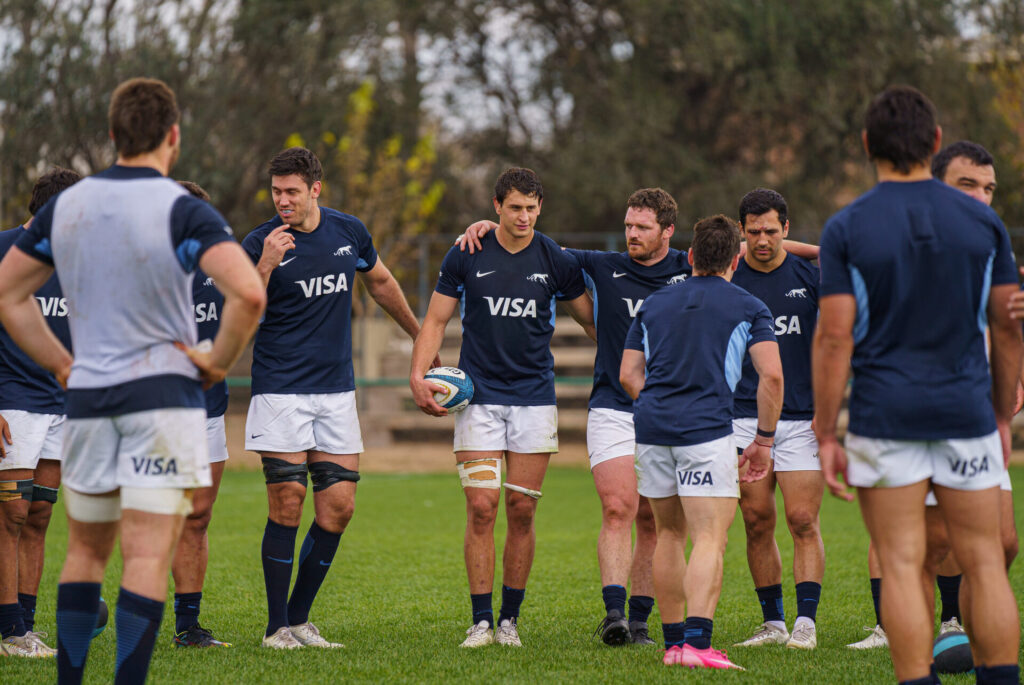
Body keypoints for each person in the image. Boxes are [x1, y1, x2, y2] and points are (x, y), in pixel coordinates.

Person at [455, 190, 819, 646]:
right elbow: (535, 246)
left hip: (665, 411)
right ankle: (619, 616)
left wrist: (806, 248)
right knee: (623, 508)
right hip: (621, 406)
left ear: (670, 233)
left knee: (658, 522)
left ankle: (648, 623)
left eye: (642, 227)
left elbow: (753, 247)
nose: (632, 234)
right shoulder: (604, 265)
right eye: (628, 225)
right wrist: (489, 230)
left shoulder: (689, 271)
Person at [0, 77, 265, 684]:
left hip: (87, 399)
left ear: (114, 136)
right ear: (173, 136)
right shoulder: (182, 207)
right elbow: (248, 292)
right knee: (146, 553)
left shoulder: (68, 206)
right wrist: (216, 361)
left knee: (84, 551)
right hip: (163, 402)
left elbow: (8, 294)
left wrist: (61, 364)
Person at [814, 86, 1020, 684]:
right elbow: (1009, 328)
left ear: (865, 145)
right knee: (985, 562)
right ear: (934, 144)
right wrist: (1002, 415)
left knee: (902, 565)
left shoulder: (847, 226)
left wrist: (826, 432)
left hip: (884, 418)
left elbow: (833, 339)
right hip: (966, 413)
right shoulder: (983, 221)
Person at [244, 146, 427, 650]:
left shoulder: (349, 231)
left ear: (315, 190)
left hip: (336, 393)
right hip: (280, 390)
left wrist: (419, 337)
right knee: (288, 500)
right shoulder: (260, 243)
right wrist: (264, 265)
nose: (283, 201)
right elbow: (240, 317)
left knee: (338, 509)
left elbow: (382, 282)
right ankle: (275, 628)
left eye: (292, 192)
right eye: (276, 192)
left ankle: (299, 620)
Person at [410, 167, 596, 648]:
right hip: (480, 400)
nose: (524, 217)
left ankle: (509, 620)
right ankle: (480, 621)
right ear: (496, 206)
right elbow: (435, 318)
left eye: (533, 208)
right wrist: (418, 374)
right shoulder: (467, 251)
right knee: (481, 507)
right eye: (515, 207)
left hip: (535, 399)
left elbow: (591, 321)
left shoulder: (553, 257)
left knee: (521, 510)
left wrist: (628, 362)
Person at [620, 214, 781, 670]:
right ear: (738, 257)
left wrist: (658, 404)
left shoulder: (653, 304)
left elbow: (629, 375)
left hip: (651, 430)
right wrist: (764, 441)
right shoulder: (749, 306)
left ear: (690, 257)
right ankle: (697, 644)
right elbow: (771, 375)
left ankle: (673, 646)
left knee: (669, 534)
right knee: (710, 537)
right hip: (706, 431)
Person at [729, 188, 825, 650]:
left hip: (803, 417)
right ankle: (773, 623)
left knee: (803, 518)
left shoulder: (811, 276)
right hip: (742, 416)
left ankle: (805, 623)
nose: (763, 240)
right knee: (756, 519)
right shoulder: (726, 274)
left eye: (771, 230)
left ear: (787, 228)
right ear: (741, 233)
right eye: (753, 232)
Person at [0, 167, 80, 658]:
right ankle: (10, 631)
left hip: (62, 410)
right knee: (10, 513)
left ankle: (25, 628)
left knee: (40, 514)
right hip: (13, 402)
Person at [167, 180, 231, 648]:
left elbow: (255, 306)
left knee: (199, 516)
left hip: (208, 409)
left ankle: (188, 627)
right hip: (156, 410)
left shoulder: (222, 268)